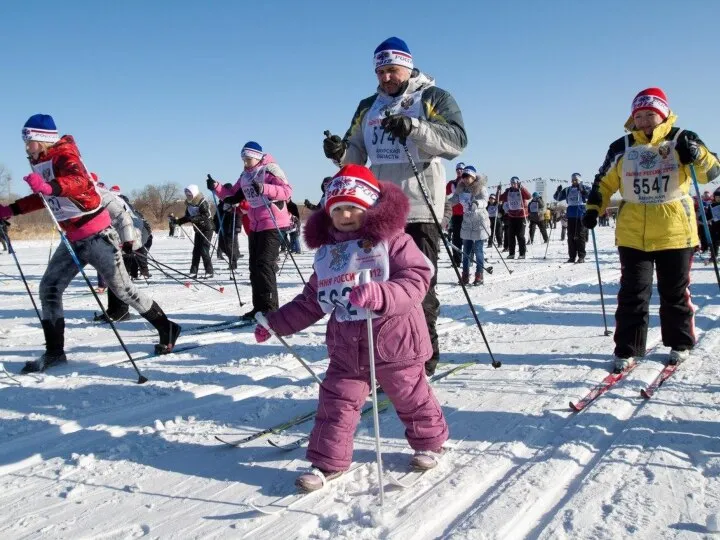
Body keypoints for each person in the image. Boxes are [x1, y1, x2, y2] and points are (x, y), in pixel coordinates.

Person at [254, 165, 449, 491]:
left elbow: (417, 279)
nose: (345, 215)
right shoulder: (330, 255)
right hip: (347, 346)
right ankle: (328, 462)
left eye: (354, 207)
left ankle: (430, 442)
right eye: (338, 209)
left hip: (395, 342)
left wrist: (383, 294)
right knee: (336, 402)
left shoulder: (395, 242)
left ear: (370, 207)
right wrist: (275, 324)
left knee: (410, 395)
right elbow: (311, 301)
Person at [322, 36, 467, 376]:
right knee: (378, 286)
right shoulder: (367, 106)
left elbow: (457, 141)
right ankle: (387, 357)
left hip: (419, 207)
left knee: (416, 289)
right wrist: (338, 152)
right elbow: (356, 153)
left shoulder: (433, 97)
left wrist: (414, 127)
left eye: (392, 70)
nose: (386, 78)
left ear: (407, 66)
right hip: (379, 209)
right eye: (380, 71)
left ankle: (423, 358)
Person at [0, 114, 180, 372]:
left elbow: (79, 182)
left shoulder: (65, 155)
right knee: (49, 287)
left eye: (28, 140)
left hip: (97, 235)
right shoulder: (41, 163)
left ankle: (168, 328)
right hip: (72, 238)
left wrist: (49, 187)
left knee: (124, 290)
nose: (26, 146)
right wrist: (10, 210)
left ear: (42, 139)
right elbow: (44, 197)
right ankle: (54, 352)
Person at [584, 87, 720, 371]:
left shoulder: (682, 138)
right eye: (639, 115)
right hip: (634, 232)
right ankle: (627, 348)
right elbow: (604, 182)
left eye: (650, 114)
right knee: (633, 292)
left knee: (675, 291)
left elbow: (711, 172)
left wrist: (696, 155)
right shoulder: (621, 146)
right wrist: (593, 209)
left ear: (663, 114)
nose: (645, 121)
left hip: (675, 230)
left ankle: (680, 343)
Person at [207, 141, 292, 320]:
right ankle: (258, 308)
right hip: (255, 224)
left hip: (273, 222)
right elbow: (233, 196)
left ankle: (270, 309)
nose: (245, 163)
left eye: (248, 159)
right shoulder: (245, 175)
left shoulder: (270, 170)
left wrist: (264, 188)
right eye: (243, 160)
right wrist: (216, 187)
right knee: (254, 266)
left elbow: (287, 191)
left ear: (257, 157)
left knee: (264, 264)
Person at [94, 181, 153, 322]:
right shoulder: (98, 201)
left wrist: (128, 242)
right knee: (111, 276)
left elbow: (130, 221)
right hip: (117, 240)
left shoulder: (109, 200)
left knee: (118, 278)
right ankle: (113, 310)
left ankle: (121, 311)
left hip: (129, 239)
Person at [444, 165, 490, 285]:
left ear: (473, 177)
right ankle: (465, 276)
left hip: (479, 222)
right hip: (467, 222)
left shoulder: (481, 188)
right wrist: (443, 204)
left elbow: (485, 201)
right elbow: (453, 200)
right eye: (463, 176)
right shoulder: (461, 189)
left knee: (478, 250)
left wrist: (477, 203)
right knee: (466, 251)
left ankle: (479, 275)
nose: (464, 179)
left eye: (467, 176)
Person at [176, 184, 214, 279]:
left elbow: (205, 216)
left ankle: (209, 271)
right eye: (187, 195)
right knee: (196, 251)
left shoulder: (202, 202)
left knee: (204, 250)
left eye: (190, 194)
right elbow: (188, 217)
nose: (188, 196)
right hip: (198, 229)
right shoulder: (189, 204)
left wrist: (194, 219)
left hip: (207, 228)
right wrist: (178, 221)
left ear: (194, 193)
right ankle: (193, 272)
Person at [554, 173, 589, 263]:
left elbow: (590, 195)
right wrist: (558, 191)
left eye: (576, 180)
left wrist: (583, 191)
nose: (574, 181)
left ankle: (581, 256)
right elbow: (557, 198)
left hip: (581, 214)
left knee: (580, 236)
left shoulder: (584, 187)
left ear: (579, 180)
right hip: (571, 215)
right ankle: (572, 256)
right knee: (571, 236)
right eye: (572, 180)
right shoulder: (568, 189)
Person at [499, 177, 531, 259]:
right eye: (512, 183)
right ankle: (511, 253)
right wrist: (498, 191)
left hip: (521, 216)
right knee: (511, 235)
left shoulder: (521, 190)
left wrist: (522, 188)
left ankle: (522, 253)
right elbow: (499, 198)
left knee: (520, 235)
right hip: (512, 216)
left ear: (518, 183)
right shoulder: (508, 191)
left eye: (515, 183)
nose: (513, 184)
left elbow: (528, 196)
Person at [445, 162, 465, 266]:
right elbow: (444, 192)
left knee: (467, 238)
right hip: (456, 214)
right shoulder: (452, 183)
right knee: (456, 238)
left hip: (467, 214)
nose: (459, 171)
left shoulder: (469, 182)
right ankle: (457, 260)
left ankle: (468, 259)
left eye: (461, 169)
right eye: (457, 169)